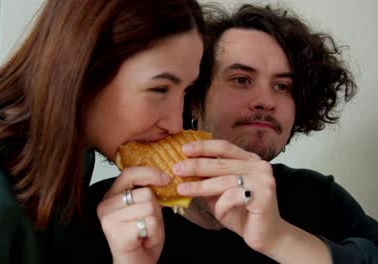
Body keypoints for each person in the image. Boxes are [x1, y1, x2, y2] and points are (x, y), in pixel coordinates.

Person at [0, 0, 206, 263]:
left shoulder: (71, 155)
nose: (175, 124)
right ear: (87, 68)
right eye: (160, 89)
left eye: (185, 91)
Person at [86, 3, 378, 264]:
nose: (266, 100)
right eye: (241, 79)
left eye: (282, 86)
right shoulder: (112, 212)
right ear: (194, 99)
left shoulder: (319, 198)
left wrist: (281, 240)